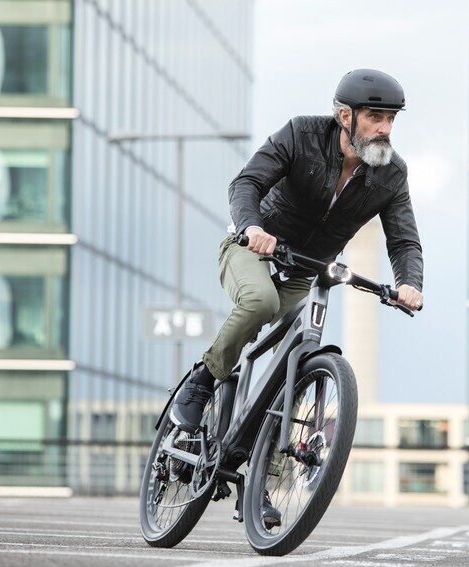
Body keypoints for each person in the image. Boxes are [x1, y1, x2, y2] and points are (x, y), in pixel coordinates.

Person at [170, 68, 424, 434]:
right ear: (345, 116)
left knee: (300, 345)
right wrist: (252, 227)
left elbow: (404, 240)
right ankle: (203, 381)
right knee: (261, 303)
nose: (385, 128)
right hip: (253, 246)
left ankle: (269, 459)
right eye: (374, 117)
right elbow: (247, 182)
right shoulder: (302, 135)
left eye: (390, 119)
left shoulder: (392, 174)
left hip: (310, 269)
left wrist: (409, 283)